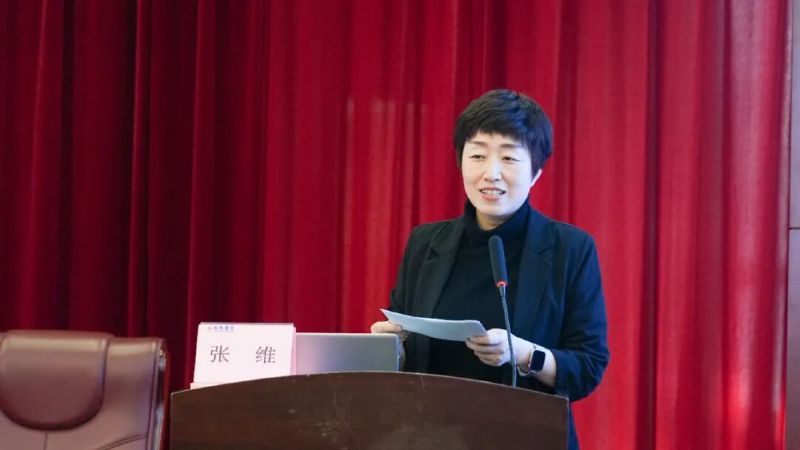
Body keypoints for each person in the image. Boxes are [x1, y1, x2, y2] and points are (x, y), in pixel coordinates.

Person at [370, 89, 609, 449]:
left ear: (536, 172)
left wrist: (523, 353)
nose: (490, 173)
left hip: (527, 439)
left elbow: (587, 368)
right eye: (478, 155)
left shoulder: (570, 249)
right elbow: (406, 356)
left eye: (509, 158)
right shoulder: (425, 243)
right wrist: (389, 347)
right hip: (432, 438)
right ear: (461, 162)